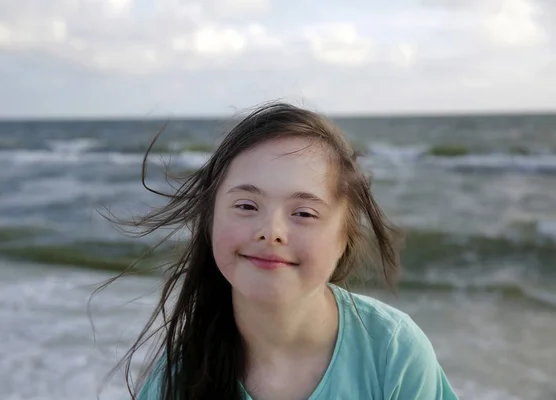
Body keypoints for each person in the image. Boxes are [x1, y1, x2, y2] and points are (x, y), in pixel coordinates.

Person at [109, 102, 459, 399]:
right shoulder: (180, 377)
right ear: (211, 219)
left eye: (304, 213)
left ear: (344, 238)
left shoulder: (392, 353)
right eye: (246, 205)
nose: (271, 232)